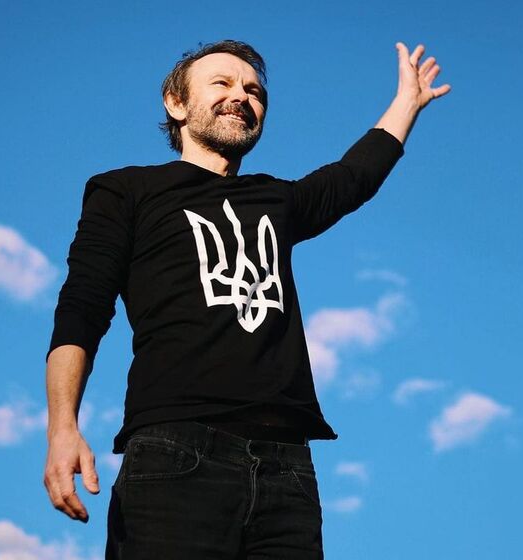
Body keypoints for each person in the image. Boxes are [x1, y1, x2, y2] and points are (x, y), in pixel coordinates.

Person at [44, 39, 450, 558]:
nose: (242, 96)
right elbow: (82, 308)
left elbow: (354, 177)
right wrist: (63, 427)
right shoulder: (126, 191)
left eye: (255, 91)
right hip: (175, 454)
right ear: (175, 103)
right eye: (222, 83)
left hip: (287, 469)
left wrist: (407, 102)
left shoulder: (276, 199)